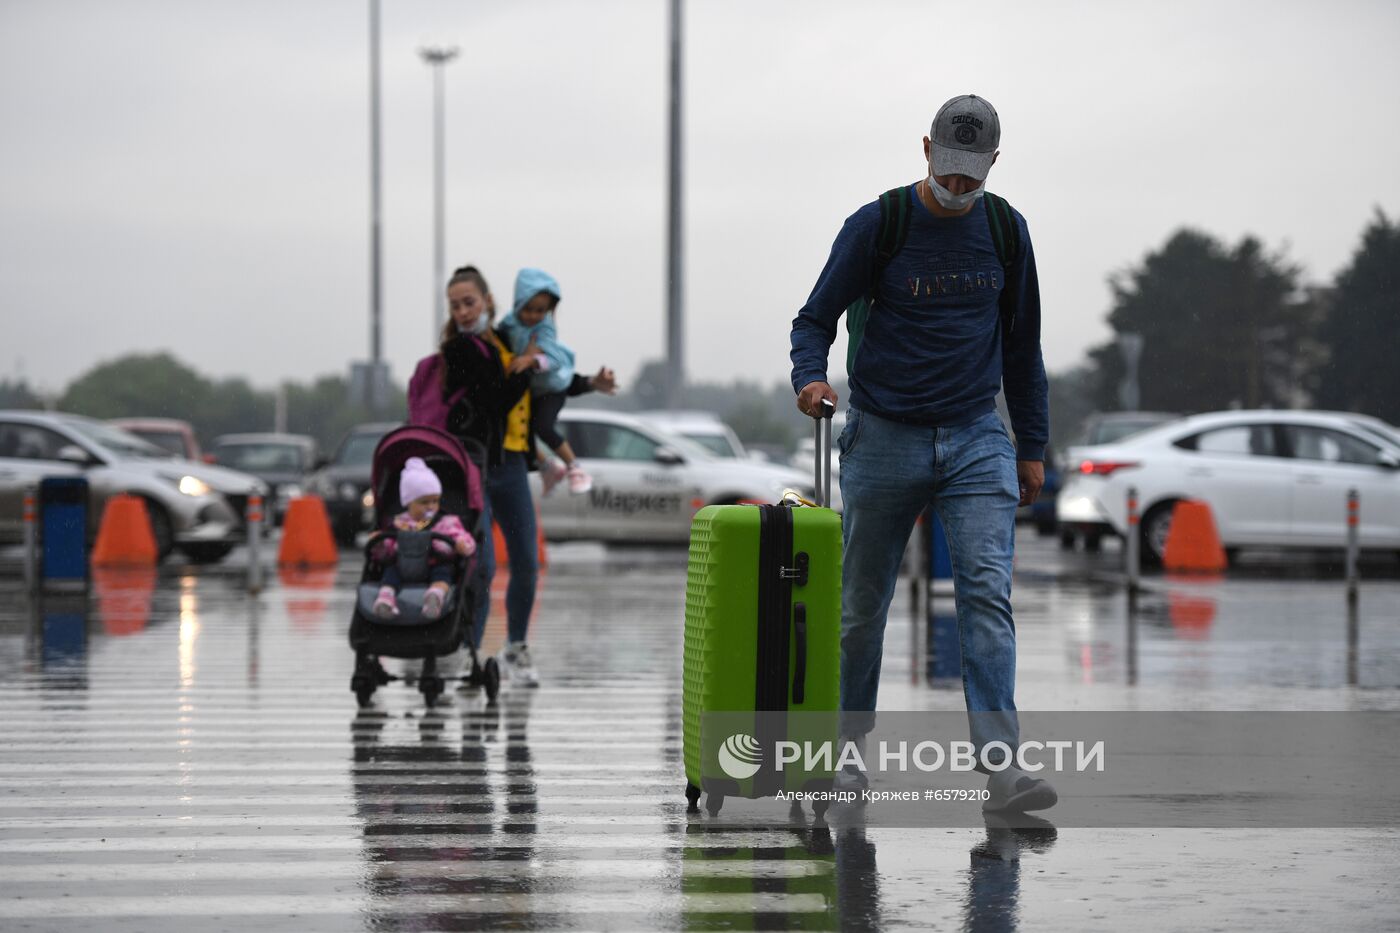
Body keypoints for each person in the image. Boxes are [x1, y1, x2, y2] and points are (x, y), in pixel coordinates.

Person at [788, 95, 1055, 812]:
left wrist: (1031, 444)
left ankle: (1003, 772)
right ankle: (844, 757)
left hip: (976, 435)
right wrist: (810, 376)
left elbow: (1023, 344)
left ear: (993, 163)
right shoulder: (879, 224)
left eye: (974, 174)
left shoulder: (1005, 230)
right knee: (859, 607)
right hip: (884, 434)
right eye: (949, 169)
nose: (959, 186)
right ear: (926, 148)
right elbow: (814, 319)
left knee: (985, 594)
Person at [408, 265, 617, 688]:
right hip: (475, 469)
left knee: (525, 561)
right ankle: (469, 654)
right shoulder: (460, 349)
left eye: (470, 302)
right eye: (456, 305)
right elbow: (495, 398)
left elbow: (546, 385)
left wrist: (587, 383)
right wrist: (526, 366)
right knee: (480, 564)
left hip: (511, 466)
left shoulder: (507, 338)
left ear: (488, 301)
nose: (464, 311)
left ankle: (516, 648)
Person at [496, 268, 592, 496]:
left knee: (543, 426)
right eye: (527, 309)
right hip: (532, 389)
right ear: (518, 304)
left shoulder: (545, 328)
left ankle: (574, 467)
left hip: (553, 387)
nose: (532, 316)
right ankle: (548, 467)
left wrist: (532, 360)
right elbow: (499, 337)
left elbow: (556, 359)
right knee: (522, 428)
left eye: (540, 310)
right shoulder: (509, 322)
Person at [368, 457, 476, 620]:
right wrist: (379, 544)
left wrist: (462, 545)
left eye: (435, 501)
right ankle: (386, 599)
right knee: (390, 573)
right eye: (424, 502)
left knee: (443, 574)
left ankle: (435, 596)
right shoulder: (398, 524)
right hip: (402, 568)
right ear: (408, 502)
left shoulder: (446, 522)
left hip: (434, 565)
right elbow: (387, 553)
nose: (431, 506)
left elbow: (463, 538)